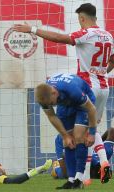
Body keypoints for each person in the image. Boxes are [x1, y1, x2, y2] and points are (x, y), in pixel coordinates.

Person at [14, 3, 114, 185]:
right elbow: (113, 60)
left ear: (82, 18)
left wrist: (33, 29)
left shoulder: (86, 33)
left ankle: (82, 177)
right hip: (104, 87)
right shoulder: (108, 35)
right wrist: (101, 73)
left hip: (87, 87)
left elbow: (61, 38)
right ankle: (102, 163)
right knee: (92, 128)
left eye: (79, 20)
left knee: (82, 134)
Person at [35, 73, 97, 189]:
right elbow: (52, 116)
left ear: (54, 93)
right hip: (65, 104)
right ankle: (71, 179)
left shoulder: (73, 90)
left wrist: (92, 133)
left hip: (83, 104)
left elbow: (91, 109)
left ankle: (79, 179)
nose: (52, 105)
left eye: (52, 103)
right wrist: (65, 136)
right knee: (67, 142)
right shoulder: (43, 97)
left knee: (78, 137)